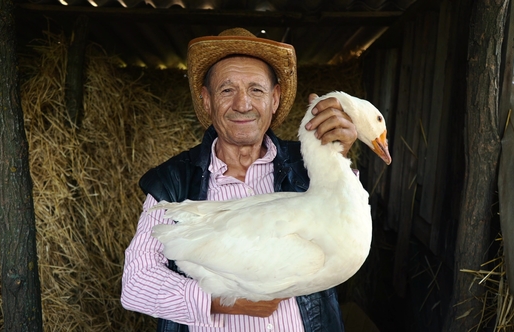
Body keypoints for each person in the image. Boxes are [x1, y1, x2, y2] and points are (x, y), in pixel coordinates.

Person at [121, 27, 357, 332]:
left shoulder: (309, 168)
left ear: (274, 99)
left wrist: (336, 156)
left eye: (256, 90)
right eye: (227, 90)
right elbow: (137, 282)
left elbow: (347, 241)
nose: (243, 104)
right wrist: (220, 300)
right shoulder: (174, 181)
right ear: (206, 100)